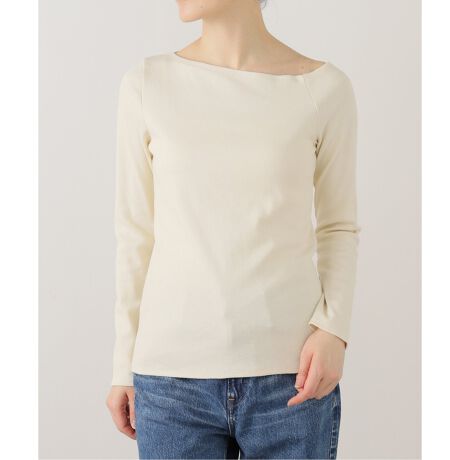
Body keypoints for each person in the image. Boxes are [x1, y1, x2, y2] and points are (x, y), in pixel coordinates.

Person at [105, 0, 361, 458]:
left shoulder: (323, 89)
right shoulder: (146, 84)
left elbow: (338, 226)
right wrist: (123, 365)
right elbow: (135, 234)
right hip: (170, 384)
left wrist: (333, 330)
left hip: (292, 378)